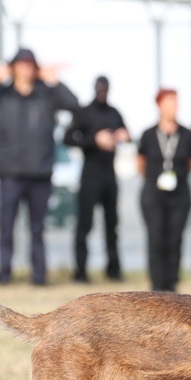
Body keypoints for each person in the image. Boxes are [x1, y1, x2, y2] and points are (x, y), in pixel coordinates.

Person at [0, 48, 79, 285]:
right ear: (13, 68)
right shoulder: (3, 94)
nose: (26, 69)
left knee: (37, 229)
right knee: (6, 227)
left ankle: (39, 276)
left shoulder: (46, 94)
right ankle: (4, 273)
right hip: (10, 172)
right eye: (21, 65)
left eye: (30, 65)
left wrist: (55, 81)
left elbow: (73, 104)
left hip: (40, 172)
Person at [64, 75, 130, 282]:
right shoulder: (85, 113)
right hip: (90, 173)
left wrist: (122, 136)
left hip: (109, 174)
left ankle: (113, 270)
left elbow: (127, 135)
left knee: (112, 225)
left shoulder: (114, 112)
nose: (102, 92)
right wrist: (94, 140)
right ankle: (81, 271)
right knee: (85, 224)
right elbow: (68, 138)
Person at [137, 89, 191, 292]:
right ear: (159, 105)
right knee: (156, 239)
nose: (174, 106)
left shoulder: (187, 135)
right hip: (153, 196)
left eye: (176, 102)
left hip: (179, 195)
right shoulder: (148, 135)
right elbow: (141, 163)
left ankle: (171, 286)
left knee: (174, 239)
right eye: (170, 102)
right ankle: (157, 286)